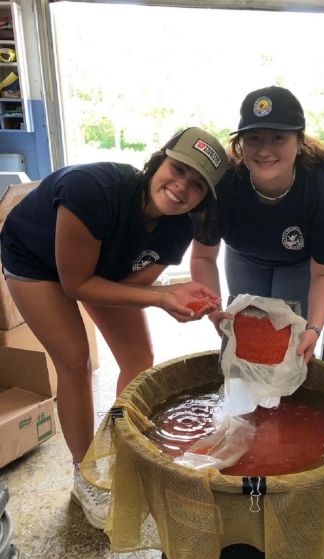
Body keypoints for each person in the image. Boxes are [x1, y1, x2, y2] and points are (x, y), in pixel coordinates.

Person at [0, 127, 228, 529]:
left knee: (139, 357)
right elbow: (76, 286)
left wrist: (183, 298)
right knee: (75, 360)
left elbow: (130, 287)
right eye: (176, 169)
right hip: (36, 261)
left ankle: (122, 451)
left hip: (96, 268)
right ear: (158, 160)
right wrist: (164, 296)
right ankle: (84, 474)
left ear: (203, 200)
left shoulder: (178, 225)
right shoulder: (93, 190)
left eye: (195, 186)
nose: (180, 188)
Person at [190, 86, 324, 363]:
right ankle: (250, 402)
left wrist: (314, 328)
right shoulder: (223, 182)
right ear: (240, 143)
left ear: (299, 141)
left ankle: (285, 399)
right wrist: (214, 309)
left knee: (288, 348)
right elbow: (203, 256)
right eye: (253, 138)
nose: (265, 151)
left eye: (278, 137)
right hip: (244, 255)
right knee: (248, 342)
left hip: (301, 262)